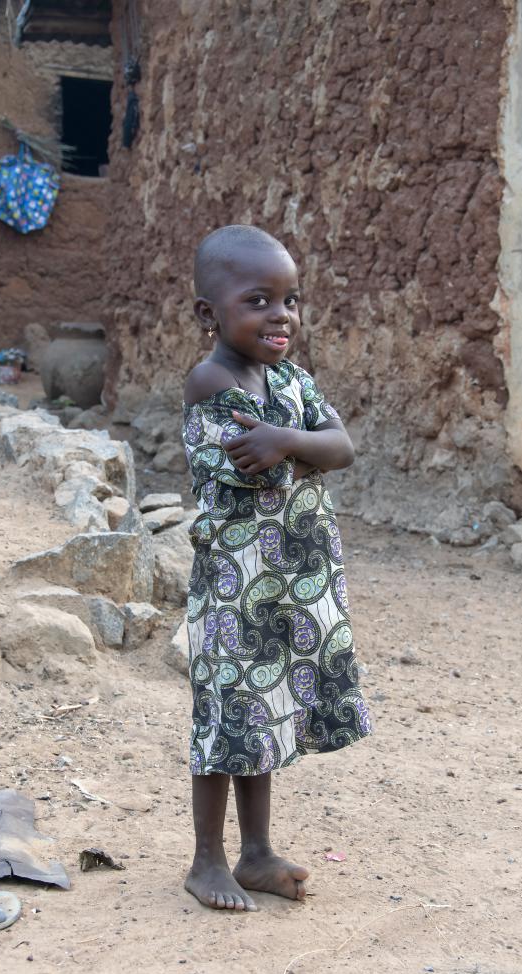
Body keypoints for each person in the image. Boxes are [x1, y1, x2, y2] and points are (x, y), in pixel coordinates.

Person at [181, 225, 371, 912]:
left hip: (288, 580)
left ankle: (255, 853)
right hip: (235, 586)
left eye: (290, 301)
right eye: (258, 300)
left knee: (262, 715)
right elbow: (253, 469)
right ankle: (206, 861)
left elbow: (342, 447)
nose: (281, 316)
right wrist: (300, 447)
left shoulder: (289, 380)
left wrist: (289, 439)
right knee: (225, 719)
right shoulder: (213, 379)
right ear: (209, 314)